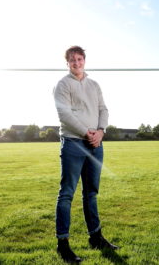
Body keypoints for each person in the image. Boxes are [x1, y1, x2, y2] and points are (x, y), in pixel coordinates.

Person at [53, 45, 119, 263]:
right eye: (72, 60)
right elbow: (64, 114)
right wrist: (86, 132)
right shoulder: (63, 85)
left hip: (95, 144)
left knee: (91, 193)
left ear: (84, 60)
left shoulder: (94, 84)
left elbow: (103, 109)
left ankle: (96, 237)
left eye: (79, 59)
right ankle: (63, 244)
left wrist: (100, 131)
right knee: (67, 194)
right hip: (73, 143)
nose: (76, 63)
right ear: (67, 63)